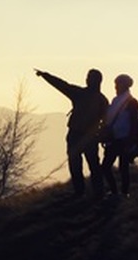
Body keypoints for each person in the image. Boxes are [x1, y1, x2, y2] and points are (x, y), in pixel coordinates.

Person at [34, 67, 107, 198]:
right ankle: (98, 192)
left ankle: (80, 191)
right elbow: (107, 121)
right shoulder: (102, 100)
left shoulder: (80, 94)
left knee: (76, 164)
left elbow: (62, 85)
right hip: (91, 137)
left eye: (89, 77)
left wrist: (46, 75)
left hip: (76, 134)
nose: (87, 79)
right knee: (94, 165)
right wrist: (101, 135)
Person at [101, 73, 138, 197]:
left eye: (118, 84)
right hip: (117, 138)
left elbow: (134, 122)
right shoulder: (120, 101)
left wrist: (131, 139)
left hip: (124, 138)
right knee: (113, 167)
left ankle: (121, 192)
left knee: (120, 167)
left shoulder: (130, 102)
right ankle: (119, 192)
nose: (116, 87)